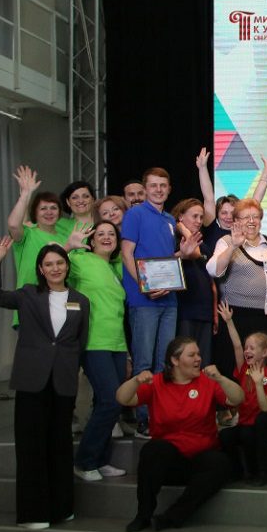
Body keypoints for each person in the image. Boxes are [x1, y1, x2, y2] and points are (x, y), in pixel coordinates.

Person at [0, 238, 90, 529]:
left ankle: (62, 508)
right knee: (31, 446)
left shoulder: (81, 300)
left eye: (59, 263)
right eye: (49, 264)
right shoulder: (28, 294)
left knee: (60, 445)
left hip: (63, 381)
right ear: (41, 269)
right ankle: (34, 513)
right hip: (32, 379)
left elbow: (79, 342)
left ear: (67, 266)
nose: (55, 268)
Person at [117, 337, 244, 532]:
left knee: (221, 463)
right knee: (152, 450)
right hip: (170, 463)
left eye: (198, 354)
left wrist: (220, 378)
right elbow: (123, 398)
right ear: (175, 360)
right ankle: (143, 515)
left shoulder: (208, 382)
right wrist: (135, 380)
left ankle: (171, 517)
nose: (198, 359)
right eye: (191, 355)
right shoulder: (157, 382)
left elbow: (238, 398)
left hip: (201, 462)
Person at [64, 221, 130, 482]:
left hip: (117, 344)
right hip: (94, 342)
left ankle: (101, 460)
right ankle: (84, 461)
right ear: (91, 242)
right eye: (100, 234)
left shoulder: (114, 268)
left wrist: (127, 352)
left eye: (111, 234)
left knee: (115, 402)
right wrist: (68, 246)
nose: (106, 237)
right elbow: (48, 264)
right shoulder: (80, 260)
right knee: (109, 400)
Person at [121, 167, 179, 438]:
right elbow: (127, 254)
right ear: (145, 189)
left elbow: (167, 259)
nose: (158, 190)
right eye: (153, 185)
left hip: (170, 299)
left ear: (169, 189)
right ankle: (144, 419)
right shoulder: (135, 214)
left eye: (162, 185)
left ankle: (160, 416)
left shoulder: (169, 219)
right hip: (144, 300)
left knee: (165, 362)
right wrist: (145, 287)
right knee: (143, 362)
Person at [206, 198, 267, 380]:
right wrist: (233, 246)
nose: (251, 221)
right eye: (246, 217)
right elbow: (213, 270)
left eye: (256, 217)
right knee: (234, 368)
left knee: (262, 371)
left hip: (265, 317)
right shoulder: (226, 241)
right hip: (236, 316)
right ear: (236, 221)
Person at [216, 300, 267, 485]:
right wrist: (229, 321)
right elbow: (237, 346)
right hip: (245, 423)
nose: (247, 351)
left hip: (264, 424)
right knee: (225, 436)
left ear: (264, 353)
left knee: (250, 431)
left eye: (252, 348)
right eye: (247, 348)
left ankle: (260, 472)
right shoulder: (244, 368)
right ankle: (236, 472)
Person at [6, 167, 74, 310]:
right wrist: (25, 194)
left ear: (59, 212)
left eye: (53, 208)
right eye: (43, 208)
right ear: (35, 213)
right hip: (31, 305)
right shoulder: (28, 233)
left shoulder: (66, 238)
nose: (49, 212)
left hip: (60, 306)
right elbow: (13, 225)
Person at [170, 198, 214, 363]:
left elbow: (211, 281)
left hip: (205, 311)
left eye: (201, 217)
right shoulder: (175, 241)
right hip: (185, 310)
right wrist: (181, 228)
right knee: (186, 360)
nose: (199, 221)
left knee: (203, 361)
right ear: (181, 217)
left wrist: (213, 313)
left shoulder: (204, 246)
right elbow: (191, 252)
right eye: (194, 216)